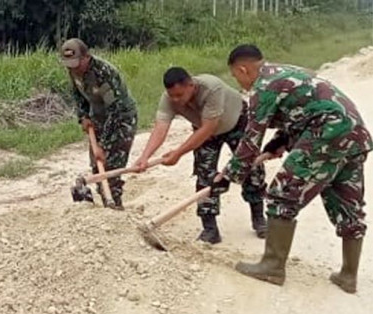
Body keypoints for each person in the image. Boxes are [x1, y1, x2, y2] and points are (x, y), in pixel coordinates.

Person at [212, 44, 371, 293]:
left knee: (282, 192)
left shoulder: (263, 87)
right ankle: (348, 276)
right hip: (354, 136)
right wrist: (280, 142)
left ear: (243, 69)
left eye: (236, 76)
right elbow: (304, 111)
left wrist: (228, 176)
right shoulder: (288, 72)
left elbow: (251, 139)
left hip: (326, 133)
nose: (239, 83)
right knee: (347, 204)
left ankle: (272, 266)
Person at [133, 67, 267, 244]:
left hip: (236, 122)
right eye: (171, 95)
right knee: (205, 174)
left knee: (251, 168)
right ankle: (210, 229)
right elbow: (161, 126)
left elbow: (208, 128)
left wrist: (178, 153)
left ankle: (259, 219)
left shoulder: (211, 88)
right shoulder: (169, 98)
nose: (175, 100)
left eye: (179, 95)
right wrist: (145, 156)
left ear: (191, 85)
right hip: (204, 129)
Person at [61, 38, 138, 209]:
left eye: (76, 63)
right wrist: (83, 117)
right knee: (97, 167)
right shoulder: (73, 71)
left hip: (121, 119)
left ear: (86, 57)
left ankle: (115, 210)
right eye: (68, 64)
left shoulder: (104, 73)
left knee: (111, 168)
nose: (73, 68)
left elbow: (115, 110)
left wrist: (103, 145)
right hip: (98, 118)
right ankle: (106, 206)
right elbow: (78, 95)